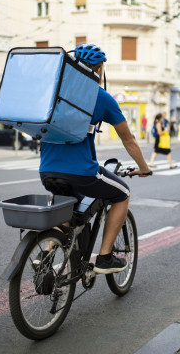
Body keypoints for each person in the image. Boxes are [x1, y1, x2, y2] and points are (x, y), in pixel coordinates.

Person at [39, 43, 152, 274]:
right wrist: (143, 167)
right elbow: (128, 139)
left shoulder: (55, 91)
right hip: (81, 171)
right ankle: (104, 257)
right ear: (99, 69)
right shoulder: (101, 97)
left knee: (65, 211)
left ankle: (46, 255)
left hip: (47, 170)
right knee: (122, 194)